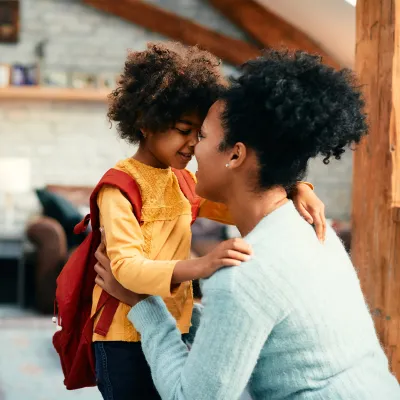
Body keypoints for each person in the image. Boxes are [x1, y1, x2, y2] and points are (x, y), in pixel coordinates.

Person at [94, 49, 400, 400]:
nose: (193, 149)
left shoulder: (240, 275)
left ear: (236, 155)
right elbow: (254, 323)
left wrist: (144, 304)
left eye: (203, 136)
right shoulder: (312, 228)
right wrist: (296, 186)